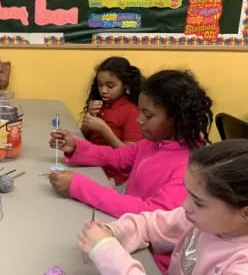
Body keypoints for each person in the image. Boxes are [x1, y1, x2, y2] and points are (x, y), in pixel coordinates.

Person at [49, 70, 213, 272]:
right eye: (140, 111)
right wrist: (76, 147)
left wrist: (79, 186)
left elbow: (149, 213)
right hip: (128, 234)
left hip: (152, 260)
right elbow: (118, 157)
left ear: (177, 118)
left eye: (148, 114)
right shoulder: (152, 143)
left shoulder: (190, 167)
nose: (139, 120)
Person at [78, 139, 248, 275]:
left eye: (198, 201)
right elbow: (150, 224)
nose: (184, 205)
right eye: (187, 193)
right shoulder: (199, 219)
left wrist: (108, 254)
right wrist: (113, 231)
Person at [81, 57, 143, 185]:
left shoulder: (132, 111)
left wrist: (104, 129)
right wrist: (89, 119)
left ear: (126, 85)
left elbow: (130, 156)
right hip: (93, 164)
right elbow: (84, 136)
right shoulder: (101, 104)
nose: (103, 90)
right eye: (100, 85)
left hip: (114, 175)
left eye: (110, 86)